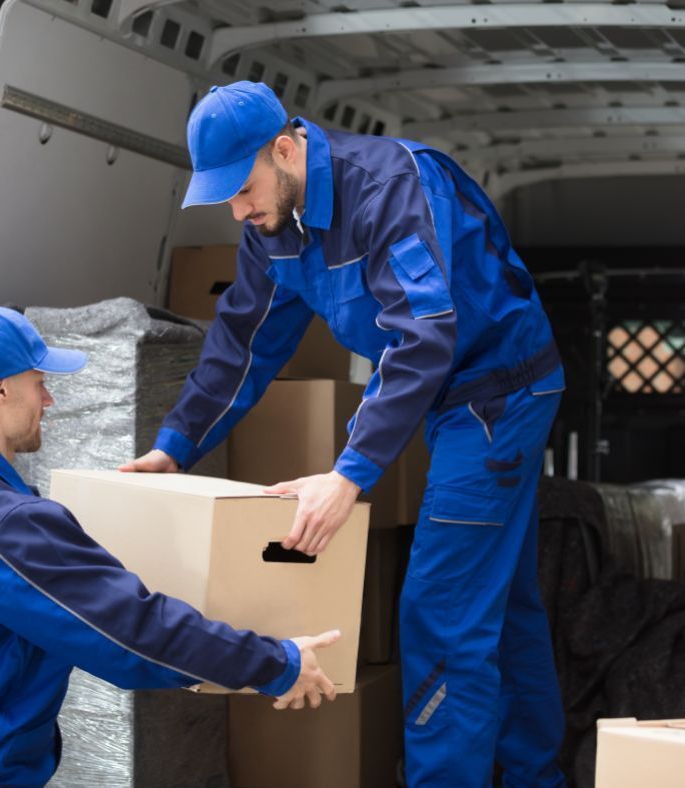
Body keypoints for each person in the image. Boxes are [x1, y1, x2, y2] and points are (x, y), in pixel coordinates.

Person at [121, 82, 567, 786]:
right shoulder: (274, 229)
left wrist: (349, 474)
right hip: (451, 398)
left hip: (498, 393)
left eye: (243, 189)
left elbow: (423, 339)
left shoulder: (387, 189)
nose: (239, 211)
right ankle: (537, 777)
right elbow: (243, 343)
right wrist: (173, 447)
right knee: (500, 604)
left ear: (288, 148)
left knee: (441, 609)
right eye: (226, 199)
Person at [0, 304, 339, 788]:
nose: (48, 399)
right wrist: (276, 662)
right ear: (0, 390)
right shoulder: (6, 526)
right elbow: (135, 635)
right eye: (38, 381)